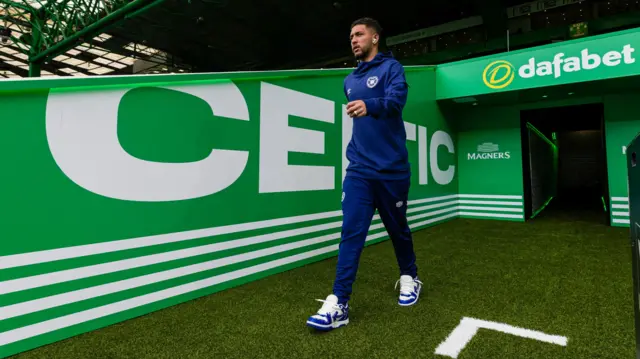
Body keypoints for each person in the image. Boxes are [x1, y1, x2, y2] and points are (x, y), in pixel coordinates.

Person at [306, 17, 422, 331]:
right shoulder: (348, 80)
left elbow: (397, 103)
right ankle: (339, 302)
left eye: (359, 34)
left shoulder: (392, 69)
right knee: (351, 233)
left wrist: (370, 105)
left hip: (392, 171)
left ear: (375, 37)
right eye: (351, 36)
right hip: (359, 170)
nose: (354, 40)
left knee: (398, 230)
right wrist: (366, 107)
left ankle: (409, 276)